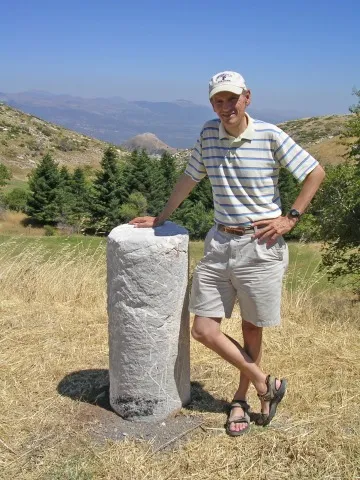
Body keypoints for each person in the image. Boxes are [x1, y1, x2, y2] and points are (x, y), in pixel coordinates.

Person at [129, 70, 325, 436]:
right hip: (219, 242)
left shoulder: (269, 135)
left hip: (260, 245)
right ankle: (265, 382)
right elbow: (189, 178)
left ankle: (241, 399)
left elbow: (315, 172)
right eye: (218, 100)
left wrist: (291, 218)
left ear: (247, 97)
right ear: (211, 103)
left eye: (231, 99)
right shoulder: (208, 133)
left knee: (252, 328)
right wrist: (161, 216)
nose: (225, 107)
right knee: (203, 329)